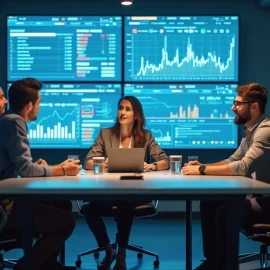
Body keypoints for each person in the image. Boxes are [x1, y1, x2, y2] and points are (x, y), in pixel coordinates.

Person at [182, 83, 270, 270]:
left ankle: (225, 266)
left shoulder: (265, 131)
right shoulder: (251, 130)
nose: (232, 108)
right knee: (209, 201)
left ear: (254, 106)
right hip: (255, 197)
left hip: (266, 201)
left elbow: (243, 166)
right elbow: (233, 159)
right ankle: (213, 263)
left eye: (238, 104)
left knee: (224, 213)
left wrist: (202, 170)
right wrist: (203, 166)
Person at [0, 80, 82, 270]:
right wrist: (62, 170)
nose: (40, 106)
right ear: (29, 106)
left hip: (7, 199)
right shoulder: (14, 122)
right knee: (66, 223)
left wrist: (53, 167)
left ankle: (48, 264)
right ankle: (27, 266)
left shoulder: (7, 121)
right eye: (39, 102)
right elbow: (25, 170)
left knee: (62, 204)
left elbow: (17, 167)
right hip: (5, 207)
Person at [84, 96, 170, 270]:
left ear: (136, 115)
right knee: (89, 209)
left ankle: (121, 255)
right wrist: (103, 162)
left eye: (128, 109)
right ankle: (109, 250)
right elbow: (87, 162)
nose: (122, 112)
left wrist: (151, 166)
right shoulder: (106, 134)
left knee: (125, 203)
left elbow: (165, 161)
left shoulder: (145, 136)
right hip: (109, 189)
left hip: (135, 190)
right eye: (120, 108)